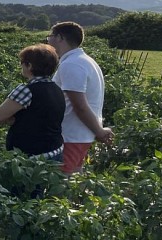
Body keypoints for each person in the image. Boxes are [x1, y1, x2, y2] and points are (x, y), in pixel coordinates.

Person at [47, 21, 113, 174]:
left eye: (50, 36)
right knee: (75, 179)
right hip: (78, 134)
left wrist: (99, 131)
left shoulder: (72, 64)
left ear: (60, 38)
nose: (47, 40)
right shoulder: (83, 60)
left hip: (71, 135)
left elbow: (80, 106)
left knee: (62, 183)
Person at [0, 44, 65, 161]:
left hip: (32, 157)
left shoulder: (26, 90)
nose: (21, 65)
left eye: (23, 62)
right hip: (55, 151)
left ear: (29, 66)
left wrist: (14, 119)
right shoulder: (56, 88)